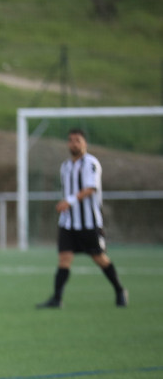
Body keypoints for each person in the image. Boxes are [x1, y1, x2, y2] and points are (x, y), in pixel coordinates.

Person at [37, 129, 127, 309]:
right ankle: (57, 298)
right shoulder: (65, 166)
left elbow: (90, 188)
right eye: (70, 140)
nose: (73, 144)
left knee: (99, 258)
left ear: (85, 143)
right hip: (68, 223)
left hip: (89, 222)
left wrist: (68, 201)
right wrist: (66, 205)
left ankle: (119, 290)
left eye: (77, 140)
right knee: (64, 258)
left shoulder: (91, 163)